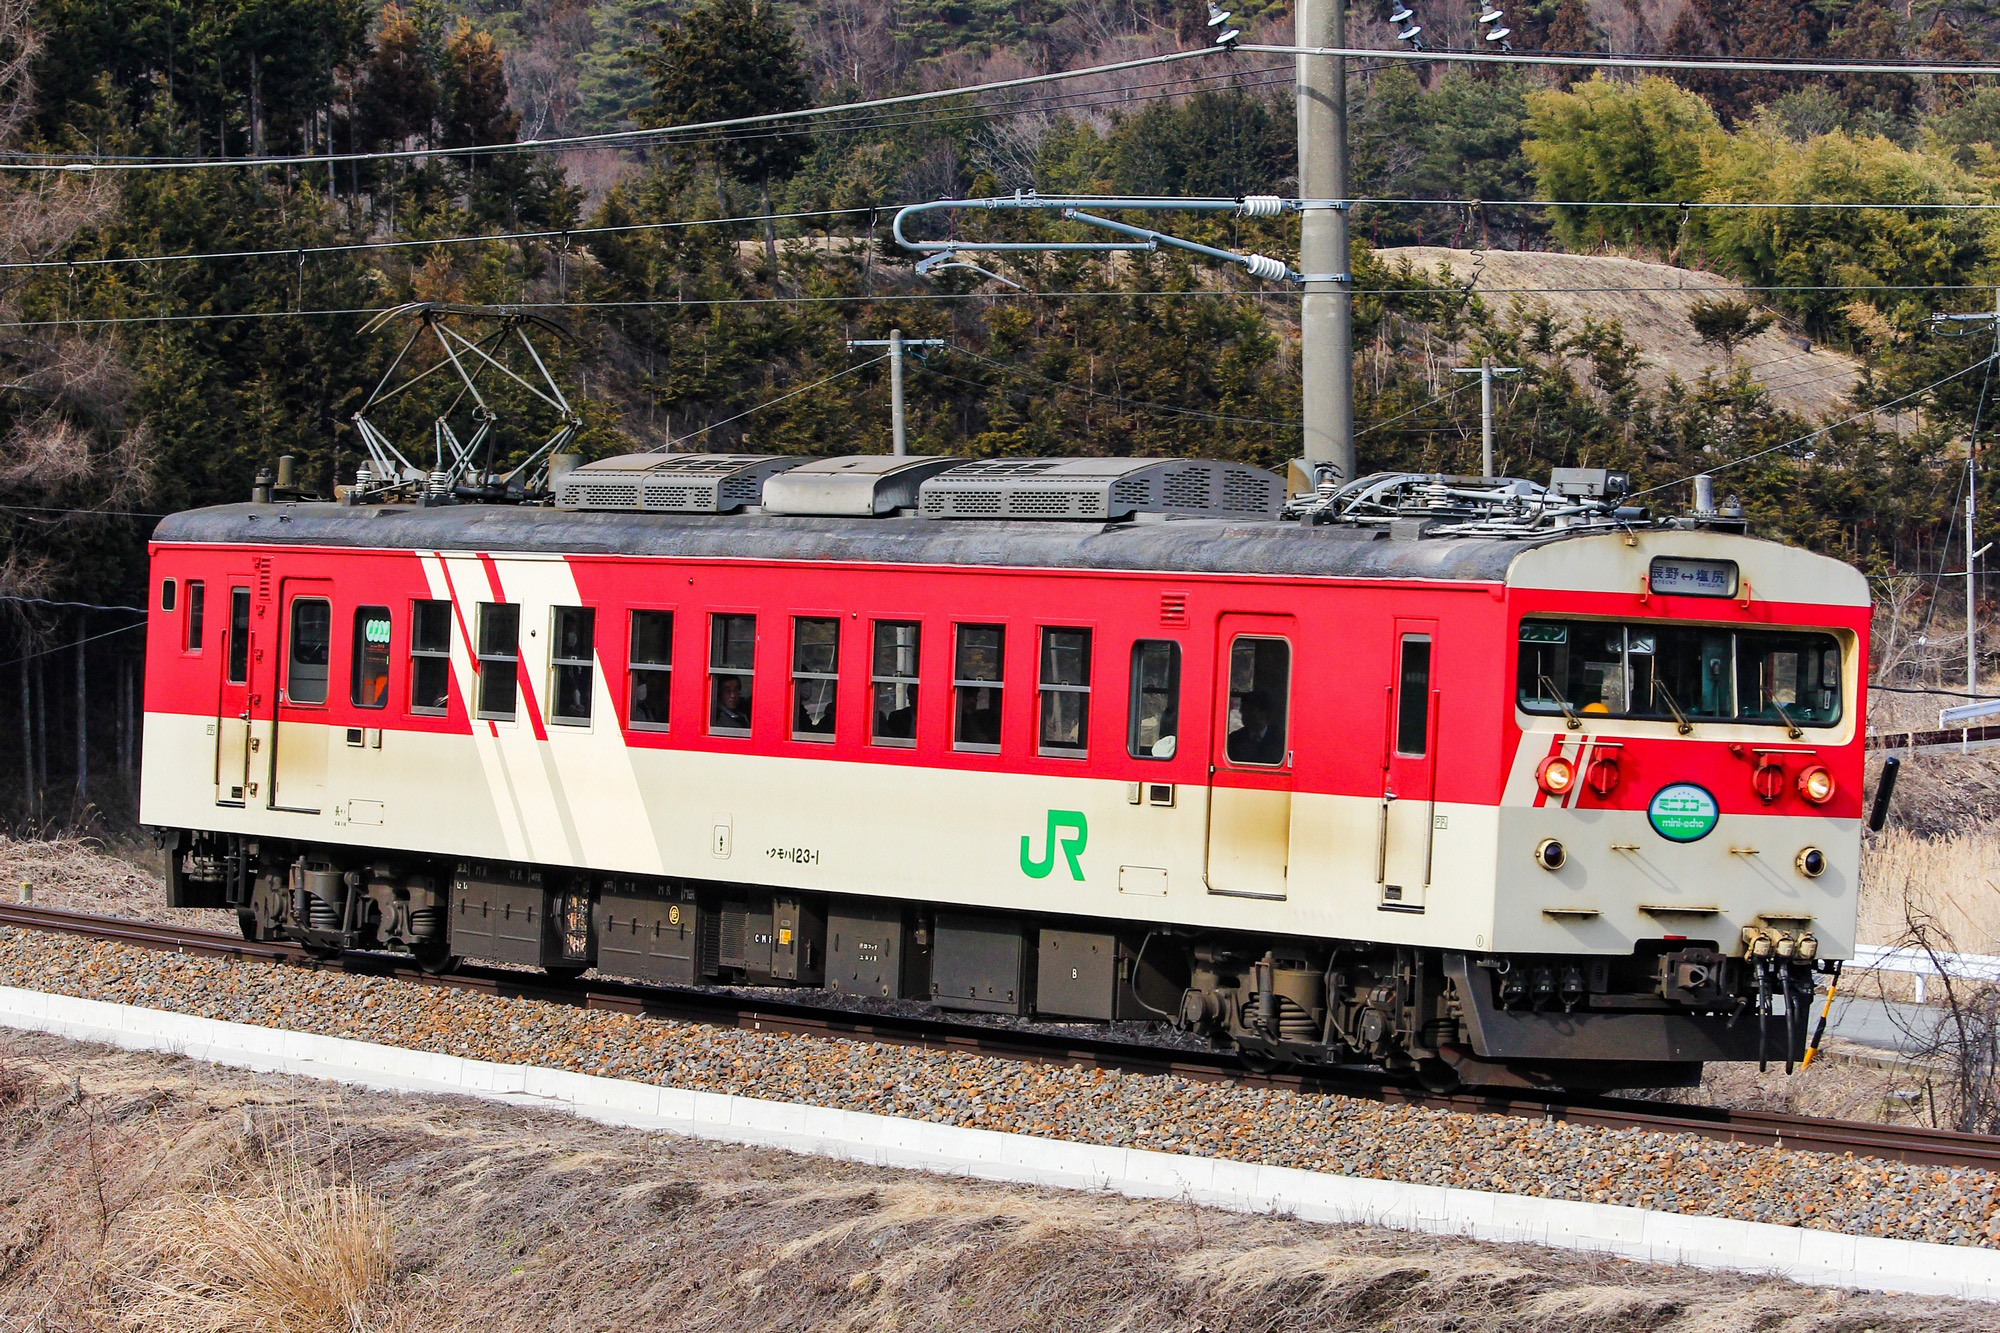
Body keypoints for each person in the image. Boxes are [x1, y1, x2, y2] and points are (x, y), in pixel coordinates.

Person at [1227, 691, 1284, 765]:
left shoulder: (1280, 739)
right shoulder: (1234, 739)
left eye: (1249, 710)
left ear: (1264, 712)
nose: (1243, 713)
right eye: (1242, 709)